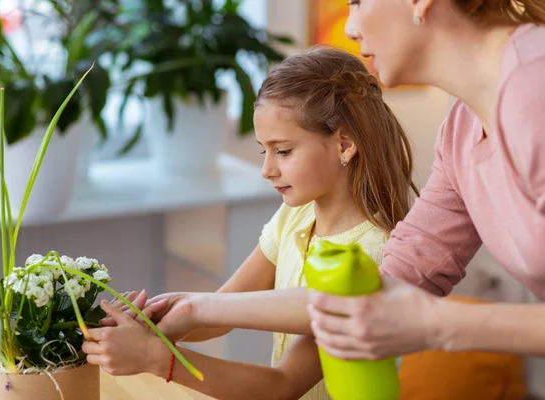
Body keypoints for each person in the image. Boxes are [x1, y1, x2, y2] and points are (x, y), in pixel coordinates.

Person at [143, 0, 545, 364]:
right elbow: (381, 289)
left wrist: (437, 323)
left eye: (356, 2)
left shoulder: (534, 84)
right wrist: (195, 309)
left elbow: (408, 308)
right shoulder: (459, 132)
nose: (350, 28)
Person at [83, 46, 418, 400]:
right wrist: (151, 326)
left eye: (283, 151)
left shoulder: (373, 255)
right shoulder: (295, 216)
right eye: (264, 151)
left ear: (345, 145)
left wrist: (154, 356)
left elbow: (281, 385)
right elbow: (221, 311)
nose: (267, 169)